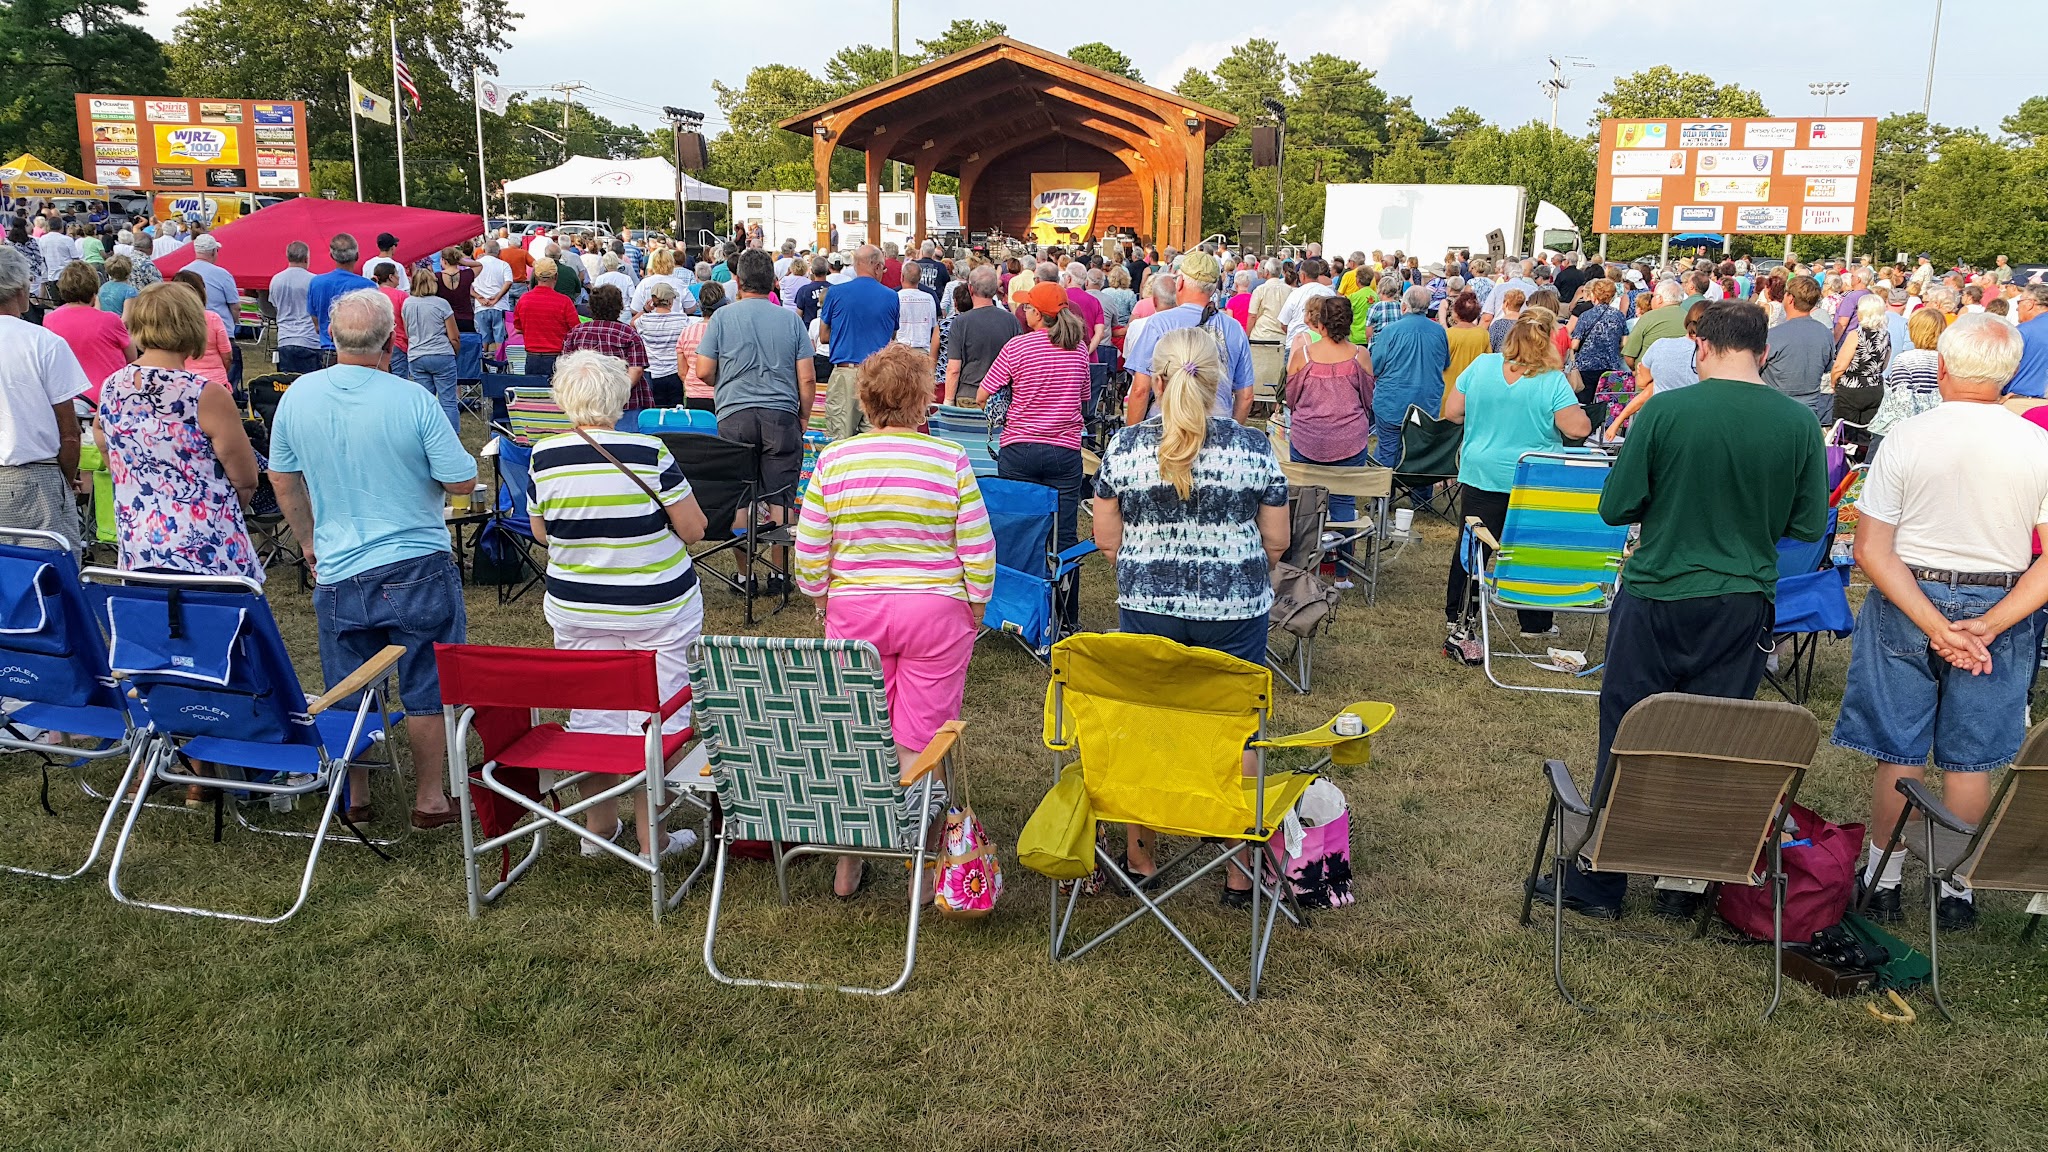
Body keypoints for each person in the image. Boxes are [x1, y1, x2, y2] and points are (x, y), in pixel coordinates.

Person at [1535, 303, 1828, 920]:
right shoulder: (1799, 422)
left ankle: (1603, 879)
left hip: (1658, 591)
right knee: (1714, 736)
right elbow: (1806, 524)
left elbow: (1615, 506)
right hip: (1742, 598)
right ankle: (1686, 880)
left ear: (1701, 348)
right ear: (1764, 353)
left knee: (1629, 731)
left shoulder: (1666, 411)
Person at [1833, 316, 2048, 929]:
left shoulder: (1908, 436)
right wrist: (1989, 625)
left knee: (1897, 748)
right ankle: (1955, 887)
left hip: (1909, 596)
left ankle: (1884, 878)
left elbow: (1871, 549)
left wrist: (1935, 624)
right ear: (2009, 373)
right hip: (2000, 599)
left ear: (1943, 367)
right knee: (1969, 758)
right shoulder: (2036, 443)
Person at [1092, 326, 1290, 900]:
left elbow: (1107, 538)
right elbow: (1277, 540)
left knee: (1148, 723)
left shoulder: (1125, 447)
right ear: (1217, 381)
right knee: (1238, 728)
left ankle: (1141, 858)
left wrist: (1149, 570)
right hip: (1235, 609)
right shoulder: (1253, 448)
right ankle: (1239, 867)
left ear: (1156, 381)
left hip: (1148, 606)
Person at [267, 289, 475, 830]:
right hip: (415, 561)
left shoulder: (298, 396)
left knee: (348, 685)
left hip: (339, 563)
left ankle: (356, 795)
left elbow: (282, 477)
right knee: (427, 682)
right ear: (390, 340)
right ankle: (430, 798)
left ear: (331, 336)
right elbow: (461, 480)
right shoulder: (412, 400)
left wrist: (307, 539)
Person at [793, 342, 993, 897]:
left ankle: (851, 857)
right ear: (924, 400)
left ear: (865, 400)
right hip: (935, 610)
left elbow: (810, 548)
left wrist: (819, 597)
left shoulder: (835, 460)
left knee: (859, 730)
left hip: (856, 608)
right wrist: (975, 605)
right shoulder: (949, 459)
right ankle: (921, 862)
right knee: (924, 736)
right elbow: (977, 546)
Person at [526, 350, 707, 862]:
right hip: (659, 605)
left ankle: (599, 827)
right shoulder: (649, 451)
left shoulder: (543, 456)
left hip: (578, 604)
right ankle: (655, 837)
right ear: (619, 397)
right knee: (662, 713)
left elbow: (541, 532)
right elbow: (694, 528)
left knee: (592, 711)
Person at [93, 281, 259, 580]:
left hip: (140, 543)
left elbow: (103, 441)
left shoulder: (112, 386)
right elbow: (245, 479)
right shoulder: (206, 394)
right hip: (206, 550)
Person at [1441, 309, 1590, 634]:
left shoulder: (1481, 365)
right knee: (1532, 549)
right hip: (1535, 478)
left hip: (1483, 471)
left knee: (1472, 547)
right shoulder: (1552, 380)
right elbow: (1578, 429)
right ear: (1549, 340)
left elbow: (1452, 411)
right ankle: (1534, 622)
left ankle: (1459, 615)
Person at [978, 280, 1092, 623]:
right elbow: (1084, 397)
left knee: (1016, 529)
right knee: (1064, 533)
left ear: (1037, 314)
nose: (1023, 311)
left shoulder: (1018, 347)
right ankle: (1065, 615)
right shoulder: (1079, 349)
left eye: (1027, 306)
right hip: (1064, 450)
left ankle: (1016, 609)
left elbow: (983, 395)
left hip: (1020, 446)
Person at [694, 249, 816, 556]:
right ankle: (778, 571)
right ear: (773, 282)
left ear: (737, 281)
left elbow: (703, 370)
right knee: (781, 499)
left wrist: (727, 382)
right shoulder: (790, 321)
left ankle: (743, 574)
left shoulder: (722, 317)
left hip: (734, 414)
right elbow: (807, 378)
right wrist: (803, 416)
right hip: (781, 415)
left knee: (740, 498)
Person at [0, 247, 90, 546]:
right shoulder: (44, 343)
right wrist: (65, 477)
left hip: (28, 470)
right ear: (20, 289)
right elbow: (70, 432)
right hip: (36, 475)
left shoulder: (46, 341)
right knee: (50, 564)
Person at [1283, 295, 1373, 572]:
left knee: (1304, 502)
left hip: (1307, 438)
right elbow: (1368, 398)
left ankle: (1303, 565)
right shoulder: (1360, 355)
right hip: (1350, 439)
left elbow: (1291, 398)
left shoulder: (1303, 355)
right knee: (1344, 501)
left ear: (1320, 323)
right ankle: (1342, 571)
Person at [1122, 251, 1254, 425]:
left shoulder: (1158, 324)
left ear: (1181, 283)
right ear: (1213, 288)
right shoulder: (1234, 328)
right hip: (1216, 426)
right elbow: (1246, 396)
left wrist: (1132, 434)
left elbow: (1140, 390)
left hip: (1164, 426)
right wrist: (1231, 431)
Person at [815, 244, 899, 439]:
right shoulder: (891, 296)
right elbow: (891, 336)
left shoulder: (835, 293)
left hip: (846, 372)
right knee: (874, 439)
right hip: (877, 374)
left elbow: (824, 336)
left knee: (839, 438)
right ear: (877, 267)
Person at [1367, 286, 1453, 467]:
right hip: (1426, 404)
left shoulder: (1390, 331)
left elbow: (1374, 367)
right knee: (1419, 452)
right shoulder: (1439, 332)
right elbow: (1445, 363)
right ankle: (1414, 483)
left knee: (1388, 450)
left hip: (1392, 403)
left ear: (1404, 306)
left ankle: (1386, 484)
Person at [1605, 301, 1707, 438]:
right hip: (1696, 425)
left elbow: (1643, 385)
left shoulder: (1661, 345)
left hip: (1660, 423)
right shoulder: (1716, 355)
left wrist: (1616, 423)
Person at [43, 262, 132, 405]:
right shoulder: (110, 320)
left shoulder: (49, 319)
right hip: (109, 395)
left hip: (70, 396)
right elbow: (131, 357)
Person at [560, 285, 650, 423]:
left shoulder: (576, 332)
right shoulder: (628, 334)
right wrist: (617, 393)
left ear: (591, 307)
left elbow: (566, 368)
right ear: (619, 307)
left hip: (587, 401)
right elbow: (636, 370)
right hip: (625, 403)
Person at [941, 264, 1021, 407]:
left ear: (971, 289)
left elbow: (953, 369)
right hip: (1001, 397)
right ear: (995, 290)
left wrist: (948, 401)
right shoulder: (1012, 321)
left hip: (968, 395)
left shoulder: (960, 323)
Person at [1762, 275, 1836, 423]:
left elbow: (1754, 368)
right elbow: (1827, 367)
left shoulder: (1773, 336)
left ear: (1790, 298)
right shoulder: (1825, 334)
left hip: (1775, 410)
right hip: (1809, 412)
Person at [1869, 306, 1947, 442]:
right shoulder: (1947, 361)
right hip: (1934, 430)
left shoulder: (1905, 360)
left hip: (1897, 432)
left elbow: (1903, 402)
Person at [402, 267, 461, 431]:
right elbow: (454, 336)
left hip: (417, 355)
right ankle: (451, 435)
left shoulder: (407, 304)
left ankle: (427, 434)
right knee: (448, 401)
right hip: (441, 353)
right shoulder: (441, 304)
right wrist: (454, 351)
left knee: (424, 401)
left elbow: (408, 332)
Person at [1829, 292, 1893, 429]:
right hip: (1874, 388)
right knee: (1866, 432)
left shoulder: (1856, 335)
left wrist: (1833, 382)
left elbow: (1839, 366)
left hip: (1851, 389)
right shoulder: (1886, 335)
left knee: (1845, 432)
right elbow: (1884, 365)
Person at [512, 257, 581, 380]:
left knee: (533, 391)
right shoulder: (564, 302)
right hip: (557, 358)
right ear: (556, 276)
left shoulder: (524, 300)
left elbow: (518, 329)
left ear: (535, 276)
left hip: (532, 357)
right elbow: (576, 330)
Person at [306, 233, 373, 356]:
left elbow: (316, 321)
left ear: (332, 256)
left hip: (328, 348)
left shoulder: (316, 283)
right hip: (359, 351)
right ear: (357, 256)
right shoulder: (368, 286)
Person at [171, 270, 235, 392]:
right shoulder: (213, 318)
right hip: (215, 381)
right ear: (202, 292)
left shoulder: (170, 321)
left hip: (181, 381)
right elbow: (227, 356)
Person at [1568, 277, 1626, 403]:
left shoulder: (1586, 315)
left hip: (1586, 366)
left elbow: (1575, 345)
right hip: (1610, 365)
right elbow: (1624, 343)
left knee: (1585, 403)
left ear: (1594, 294)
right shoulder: (1619, 316)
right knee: (1606, 403)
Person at [268, 241, 322, 375]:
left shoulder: (276, 280)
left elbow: (275, 306)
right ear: (306, 258)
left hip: (285, 338)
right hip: (309, 338)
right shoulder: (314, 281)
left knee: (287, 382)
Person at [634, 281, 690, 409]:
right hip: (675, 373)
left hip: (652, 374)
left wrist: (645, 310)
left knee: (653, 412)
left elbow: (632, 323)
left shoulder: (644, 320)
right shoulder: (682, 319)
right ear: (670, 301)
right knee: (676, 412)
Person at [1442, 290, 1490, 406]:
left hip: (1449, 389)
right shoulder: (1483, 334)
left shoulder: (1448, 334)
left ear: (1456, 312)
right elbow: (1487, 361)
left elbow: (1439, 362)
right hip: (1473, 389)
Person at [371, 262, 413, 381]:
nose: (399, 277)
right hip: (398, 342)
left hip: (375, 344)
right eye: (397, 274)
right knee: (399, 380)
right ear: (391, 277)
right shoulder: (402, 296)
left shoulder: (371, 295)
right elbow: (408, 322)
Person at [472, 240, 513, 363]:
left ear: (484, 250)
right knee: (500, 336)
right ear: (499, 252)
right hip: (500, 306)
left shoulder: (476, 265)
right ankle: (500, 361)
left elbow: (467, 284)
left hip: (481, 306)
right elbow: (508, 282)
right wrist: (497, 297)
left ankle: (482, 362)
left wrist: (478, 297)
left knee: (483, 336)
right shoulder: (504, 265)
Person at [2006, 284, 2048, 398]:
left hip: (2023, 400)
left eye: (2019, 302)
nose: (2017, 308)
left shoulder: (2023, 331)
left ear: (2030, 304)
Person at [894, 268, 940, 361]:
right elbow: (935, 325)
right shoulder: (929, 297)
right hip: (923, 350)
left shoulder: (895, 296)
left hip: (900, 349)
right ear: (920, 278)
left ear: (902, 277)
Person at [98, 254, 139, 318]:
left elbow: (98, 310)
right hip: (119, 323)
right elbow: (126, 319)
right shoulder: (130, 292)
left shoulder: (103, 287)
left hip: (103, 322)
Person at [1486, 288, 1525, 353]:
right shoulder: (1526, 323)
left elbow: (1490, 347)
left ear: (1506, 303)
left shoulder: (1498, 324)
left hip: (1500, 358)